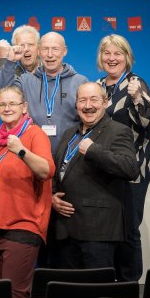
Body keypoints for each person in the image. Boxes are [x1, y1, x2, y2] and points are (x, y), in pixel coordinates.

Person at [51, 82, 139, 270]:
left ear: (105, 102)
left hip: (98, 231)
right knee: (69, 292)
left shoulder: (118, 131)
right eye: (82, 100)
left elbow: (130, 168)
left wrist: (93, 150)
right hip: (65, 231)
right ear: (76, 105)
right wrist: (52, 197)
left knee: (97, 291)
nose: (88, 105)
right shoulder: (69, 134)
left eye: (94, 99)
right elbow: (58, 172)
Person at [95, 34, 150, 282]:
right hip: (105, 168)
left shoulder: (136, 83)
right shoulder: (97, 85)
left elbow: (149, 121)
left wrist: (137, 98)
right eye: (107, 53)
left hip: (134, 169)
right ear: (101, 57)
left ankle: (130, 285)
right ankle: (110, 283)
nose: (112, 58)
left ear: (127, 57)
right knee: (108, 230)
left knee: (130, 231)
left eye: (117, 53)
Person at [0, 86, 54, 298]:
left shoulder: (35, 134)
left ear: (24, 107)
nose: (7, 108)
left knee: (16, 294)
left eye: (12, 103)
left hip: (22, 226)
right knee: (0, 294)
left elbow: (46, 171)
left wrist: (22, 151)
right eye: (2, 104)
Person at [0, 31, 88, 152]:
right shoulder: (26, 80)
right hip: (31, 155)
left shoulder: (80, 82)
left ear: (64, 51)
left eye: (55, 49)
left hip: (69, 156)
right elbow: (3, 96)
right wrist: (10, 62)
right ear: (39, 51)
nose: (50, 55)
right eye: (45, 49)